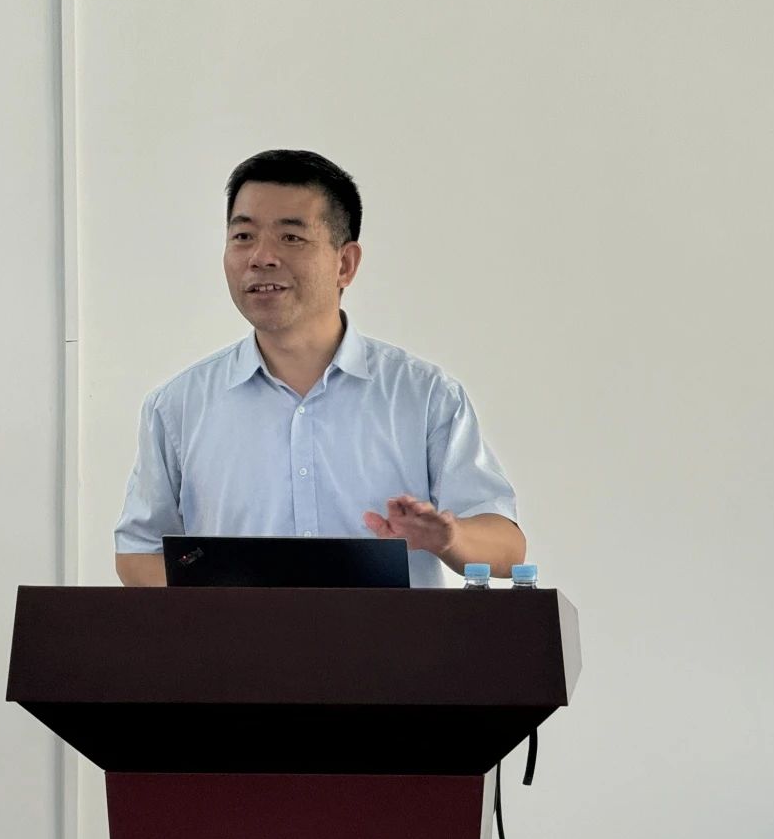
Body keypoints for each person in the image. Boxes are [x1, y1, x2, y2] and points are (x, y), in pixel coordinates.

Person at [114, 149, 524, 587]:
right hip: (236, 636)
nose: (261, 257)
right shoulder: (178, 406)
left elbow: (507, 547)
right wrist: (226, 611)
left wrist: (450, 537)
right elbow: (139, 551)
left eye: (290, 237)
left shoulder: (424, 396)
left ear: (344, 264)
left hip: (386, 636)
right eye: (243, 236)